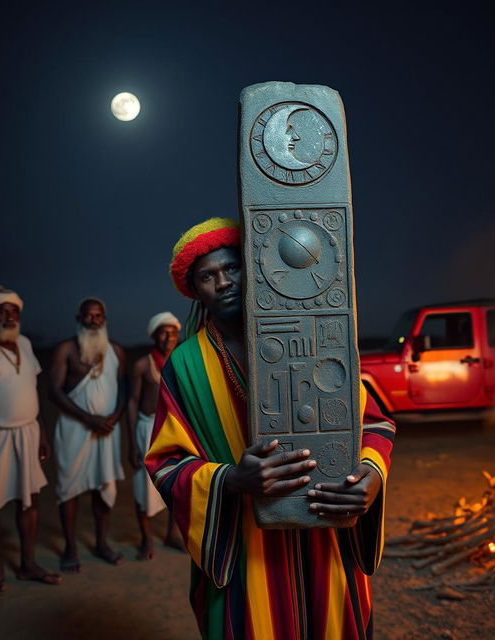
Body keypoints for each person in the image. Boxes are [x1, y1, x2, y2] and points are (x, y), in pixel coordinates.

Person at [145, 218, 395, 639]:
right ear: (196, 292)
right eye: (208, 276)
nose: (223, 283)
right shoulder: (185, 365)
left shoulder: (316, 334)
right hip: (245, 548)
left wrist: (370, 474)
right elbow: (166, 462)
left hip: (325, 533)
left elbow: (371, 420)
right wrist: (231, 479)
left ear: (255, 267)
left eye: (233, 268)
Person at [0, 281, 62, 595]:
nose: (9, 316)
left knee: (28, 499)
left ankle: (27, 564)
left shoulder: (26, 344)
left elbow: (32, 391)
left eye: (13, 311)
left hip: (27, 433)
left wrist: (42, 433)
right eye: (2, 311)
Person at [49, 297, 126, 572]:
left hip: (107, 431)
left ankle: (102, 543)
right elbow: (54, 391)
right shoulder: (66, 350)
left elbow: (122, 389)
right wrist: (87, 418)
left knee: (103, 485)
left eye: (98, 316)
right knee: (69, 488)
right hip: (74, 429)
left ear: (104, 319)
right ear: (78, 318)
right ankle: (70, 546)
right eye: (88, 316)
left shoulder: (116, 350)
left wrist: (115, 416)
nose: (94, 320)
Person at [127, 311, 185, 559]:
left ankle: (172, 535)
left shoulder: (181, 360)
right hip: (148, 428)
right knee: (144, 486)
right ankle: (146, 540)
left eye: (172, 332)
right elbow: (132, 402)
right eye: (163, 331)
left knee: (175, 483)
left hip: (175, 429)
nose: (168, 337)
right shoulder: (143, 364)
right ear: (154, 335)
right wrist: (131, 443)